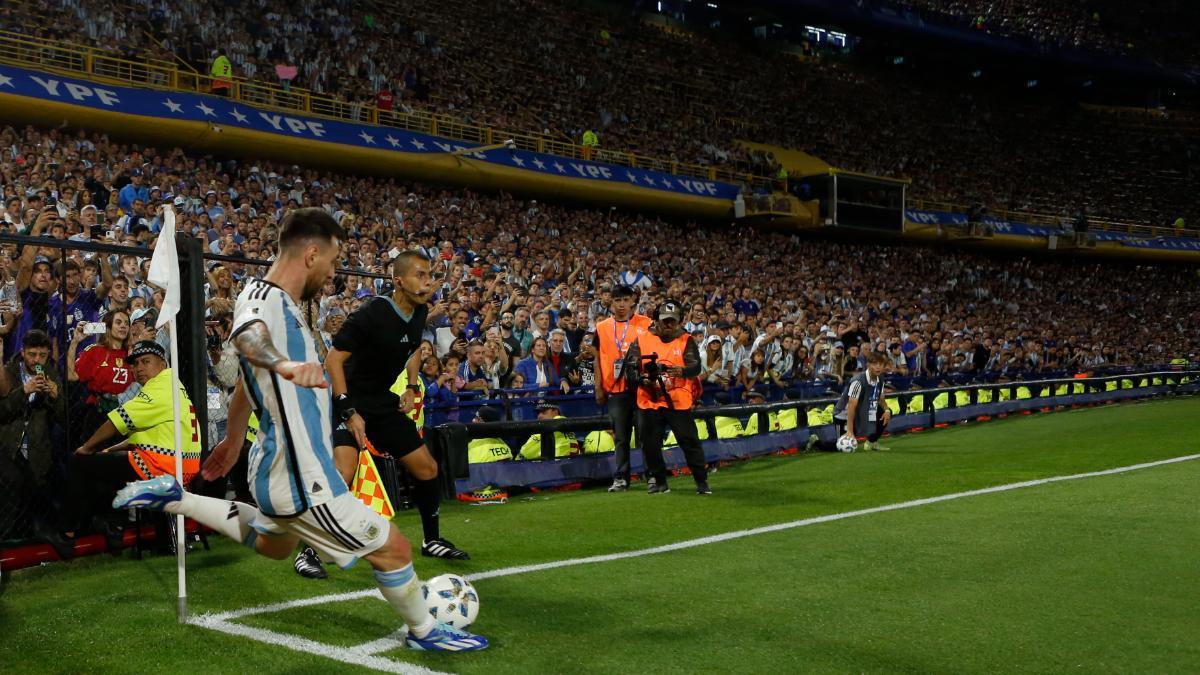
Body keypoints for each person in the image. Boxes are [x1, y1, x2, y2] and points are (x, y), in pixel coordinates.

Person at [111, 208, 488, 651]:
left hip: (275, 467)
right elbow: (249, 339)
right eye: (331, 263)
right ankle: (425, 632)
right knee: (395, 549)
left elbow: (245, 387)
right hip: (300, 474)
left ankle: (179, 500)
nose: (331, 275)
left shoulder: (284, 304)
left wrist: (233, 441)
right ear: (311, 254)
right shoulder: (261, 298)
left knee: (273, 544)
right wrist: (286, 364)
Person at [326, 249, 471, 560]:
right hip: (349, 398)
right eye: (420, 275)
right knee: (344, 472)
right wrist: (348, 411)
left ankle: (431, 541)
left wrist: (410, 385)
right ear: (398, 281)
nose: (427, 282)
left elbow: (414, 347)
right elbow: (332, 360)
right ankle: (311, 550)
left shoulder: (419, 312)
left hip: (381, 401)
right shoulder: (370, 314)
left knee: (427, 467)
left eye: (429, 275)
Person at [41, 340, 199, 558]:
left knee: (80, 463)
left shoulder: (159, 389)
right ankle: (112, 526)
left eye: (146, 362)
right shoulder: (173, 384)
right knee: (106, 465)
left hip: (162, 466)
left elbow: (117, 421)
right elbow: (143, 436)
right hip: (182, 465)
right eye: (135, 364)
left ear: (162, 363)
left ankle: (66, 535)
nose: (139, 368)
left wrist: (87, 448)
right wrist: (109, 450)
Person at [623, 300, 710, 495]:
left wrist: (682, 371)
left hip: (677, 399)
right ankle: (660, 481)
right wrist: (642, 379)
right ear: (657, 321)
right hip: (649, 398)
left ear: (680, 322)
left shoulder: (686, 339)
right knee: (650, 443)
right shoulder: (643, 338)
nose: (669, 325)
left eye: (673, 321)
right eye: (665, 321)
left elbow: (695, 367)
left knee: (689, 441)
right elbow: (630, 368)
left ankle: (701, 482)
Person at [0, 330, 65, 543]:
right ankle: (7, 542)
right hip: (9, 445)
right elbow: (2, 410)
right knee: (13, 486)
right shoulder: (8, 371)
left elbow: (63, 417)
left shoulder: (51, 373)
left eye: (42, 355)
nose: (37, 360)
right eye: (32, 354)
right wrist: (23, 391)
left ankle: (30, 539)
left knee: (36, 491)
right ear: (22, 351)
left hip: (38, 447)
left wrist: (56, 397)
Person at [594, 284, 652, 492]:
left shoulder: (646, 324)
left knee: (646, 433)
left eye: (625, 300)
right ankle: (621, 477)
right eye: (617, 300)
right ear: (611, 302)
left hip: (642, 388)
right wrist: (598, 387)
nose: (621, 305)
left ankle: (652, 475)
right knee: (621, 436)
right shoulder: (602, 327)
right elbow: (596, 357)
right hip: (616, 389)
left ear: (633, 301)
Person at [66, 308, 133, 441]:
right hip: (99, 414)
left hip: (126, 413)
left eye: (126, 323)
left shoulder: (132, 355)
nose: (123, 326)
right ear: (107, 327)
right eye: (118, 322)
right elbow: (71, 376)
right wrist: (75, 342)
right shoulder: (95, 351)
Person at [832, 351, 892, 452]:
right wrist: (850, 431)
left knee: (886, 412)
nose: (878, 367)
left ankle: (872, 442)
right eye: (874, 364)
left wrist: (886, 410)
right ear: (868, 365)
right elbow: (851, 406)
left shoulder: (880, 379)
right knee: (840, 446)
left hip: (862, 412)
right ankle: (816, 442)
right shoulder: (858, 381)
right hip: (844, 415)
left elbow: (881, 398)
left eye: (880, 364)